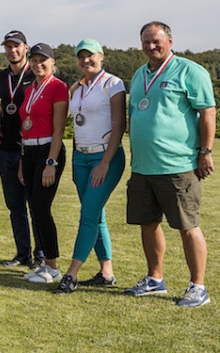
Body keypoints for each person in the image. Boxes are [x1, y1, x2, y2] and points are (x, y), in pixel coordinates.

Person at [125, 21, 215, 307]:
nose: (151, 46)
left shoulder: (190, 71)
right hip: (143, 166)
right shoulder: (139, 74)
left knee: (188, 226)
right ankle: (155, 279)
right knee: (148, 224)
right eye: (146, 42)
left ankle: (198, 286)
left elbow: (207, 112)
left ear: (170, 41)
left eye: (156, 41)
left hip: (177, 166)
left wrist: (205, 151)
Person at [53, 39, 126, 294]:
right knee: (97, 216)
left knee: (88, 216)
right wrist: (74, 161)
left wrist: (105, 162)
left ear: (101, 56)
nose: (86, 60)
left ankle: (71, 274)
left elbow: (119, 125)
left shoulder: (113, 84)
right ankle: (107, 273)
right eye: (81, 56)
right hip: (81, 159)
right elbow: (77, 126)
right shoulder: (78, 88)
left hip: (105, 158)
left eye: (90, 55)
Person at [18, 43, 68, 284]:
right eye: (34, 60)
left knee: (41, 208)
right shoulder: (29, 89)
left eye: (43, 60)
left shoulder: (58, 87)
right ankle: (45, 266)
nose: (38, 64)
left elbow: (59, 129)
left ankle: (53, 266)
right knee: (34, 209)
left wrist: (51, 161)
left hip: (48, 151)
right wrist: (21, 162)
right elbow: (24, 126)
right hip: (28, 152)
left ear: (52, 62)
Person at [0, 30, 41, 269]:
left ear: (25, 47)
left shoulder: (35, 73)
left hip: (30, 150)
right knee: (15, 206)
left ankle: (41, 254)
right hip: (6, 149)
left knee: (35, 204)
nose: (12, 50)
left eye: (16, 46)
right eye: (8, 47)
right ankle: (23, 253)